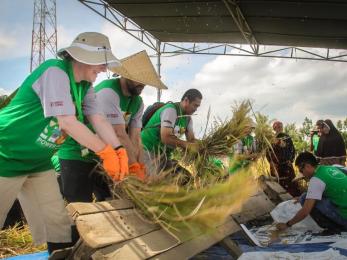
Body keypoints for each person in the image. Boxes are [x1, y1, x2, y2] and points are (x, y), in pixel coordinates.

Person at [0, 32, 129, 254]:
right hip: (6, 153)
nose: (103, 69)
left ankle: (60, 257)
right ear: (83, 57)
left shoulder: (85, 87)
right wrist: (105, 153)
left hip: (38, 163)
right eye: (101, 63)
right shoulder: (55, 71)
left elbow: (98, 119)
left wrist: (118, 150)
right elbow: (67, 122)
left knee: (57, 223)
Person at [58, 50, 167, 201]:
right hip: (78, 153)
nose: (142, 84)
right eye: (137, 79)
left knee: (111, 200)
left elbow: (135, 138)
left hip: (106, 157)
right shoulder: (109, 92)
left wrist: (140, 167)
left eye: (145, 80)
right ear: (125, 75)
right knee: (80, 204)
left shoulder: (138, 103)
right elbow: (119, 133)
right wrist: (132, 166)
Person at [276, 152, 347, 232]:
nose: (302, 174)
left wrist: (287, 224)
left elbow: (305, 211)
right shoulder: (328, 168)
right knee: (304, 196)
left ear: (307, 166)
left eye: (301, 170)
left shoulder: (316, 180)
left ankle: (335, 228)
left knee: (304, 199)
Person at [141, 89, 202, 174]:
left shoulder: (188, 119)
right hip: (148, 151)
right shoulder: (171, 110)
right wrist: (188, 145)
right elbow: (165, 138)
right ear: (186, 100)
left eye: (197, 107)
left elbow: (191, 140)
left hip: (164, 156)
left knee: (184, 178)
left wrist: (204, 145)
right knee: (153, 183)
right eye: (195, 105)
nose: (196, 109)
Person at [266, 121, 301, 196]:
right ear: (274, 128)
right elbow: (267, 152)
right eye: (277, 127)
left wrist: (291, 160)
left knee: (291, 185)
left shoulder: (287, 137)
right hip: (276, 167)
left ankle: (294, 200)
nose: (279, 128)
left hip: (286, 165)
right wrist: (271, 163)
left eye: (280, 127)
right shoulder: (270, 139)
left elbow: (292, 150)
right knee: (277, 186)